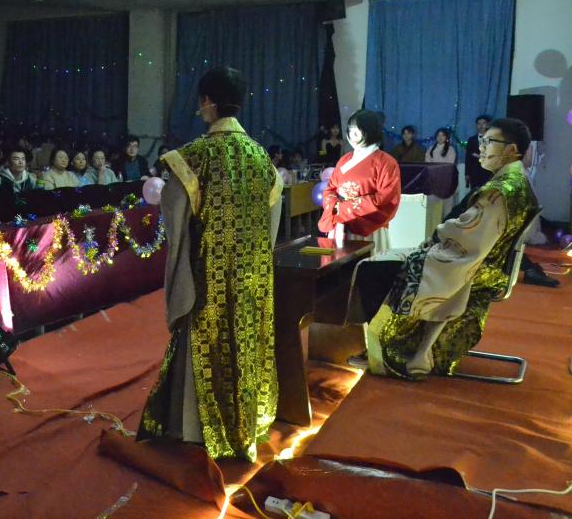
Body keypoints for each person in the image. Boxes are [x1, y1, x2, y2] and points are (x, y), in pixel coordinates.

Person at [138, 67, 283, 462]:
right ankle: (245, 422)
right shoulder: (262, 159)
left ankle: (194, 428)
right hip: (252, 277)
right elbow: (271, 227)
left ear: (207, 101)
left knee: (203, 348)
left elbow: (176, 221)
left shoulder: (192, 158)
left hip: (208, 276)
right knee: (243, 346)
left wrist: (182, 271)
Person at [360, 118, 538, 379]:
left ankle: (392, 349)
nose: (482, 147)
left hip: (478, 264)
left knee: (387, 266)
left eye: (489, 141)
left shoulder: (501, 190)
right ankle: (416, 349)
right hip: (486, 259)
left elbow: (467, 234)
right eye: (482, 140)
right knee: (400, 258)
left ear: (511, 150)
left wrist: (437, 235)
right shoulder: (516, 180)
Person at [318, 110, 401, 252]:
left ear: (371, 131)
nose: (353, 134)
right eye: (351, 130)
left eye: (358, 130)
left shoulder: (386, 162)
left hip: (368, 228)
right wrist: (334, 206)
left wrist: (343, 208)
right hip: (340, 226)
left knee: (368, 263)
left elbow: (386, 199)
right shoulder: (344, 159)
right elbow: (330, 188)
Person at [465, 114, 494, 189]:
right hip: (474, 173)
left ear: (488, 125)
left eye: (484, 123)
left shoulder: (493, 139)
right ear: (476, 125)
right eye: (479, 124)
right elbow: (468, 157)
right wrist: (467, 173)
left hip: (488, 173)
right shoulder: (471, 140)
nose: (481, 126)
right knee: (475, 193)